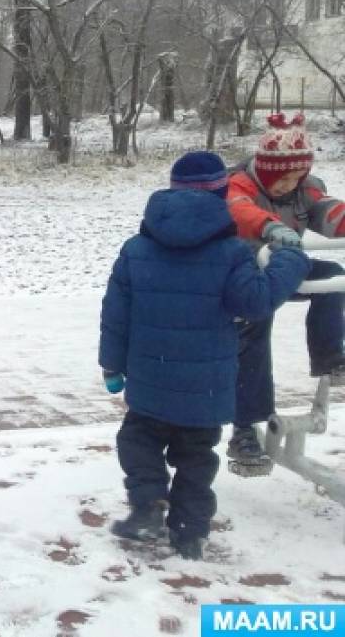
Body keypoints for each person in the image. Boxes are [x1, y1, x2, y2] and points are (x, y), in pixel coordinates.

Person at [100, 152, 309, 559]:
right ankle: (190, 531)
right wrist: (291, 258)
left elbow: (115, 313)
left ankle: (147, 504)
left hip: (149, 380)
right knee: (196, 457)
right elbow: (256, 301)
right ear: (221, 194)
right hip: (207, 389)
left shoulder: (136, 249)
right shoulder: (232, 253)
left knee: (137, 439)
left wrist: (112, 365)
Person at [225, 113, 345, 474]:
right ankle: (245, 428)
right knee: (253, 335)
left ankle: (328, 357)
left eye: (297, 178)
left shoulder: (303, 189)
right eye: (284, 179)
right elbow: (238, 210)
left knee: (332, 278)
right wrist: (270, 225)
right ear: (267, 171)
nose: (288, 185)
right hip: (241, 273)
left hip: (281, 267)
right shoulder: (240, 185)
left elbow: (325, 210)